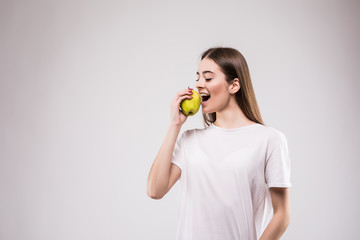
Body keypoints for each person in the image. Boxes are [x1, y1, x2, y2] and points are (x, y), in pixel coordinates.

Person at [147, 47, 292, 240]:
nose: (198, 85)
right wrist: (175, 125)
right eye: (197, 78)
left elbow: (282, 215)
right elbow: (154, 190)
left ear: (234, 85)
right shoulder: (189, 140)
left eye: (207, 78)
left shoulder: (270, 140)